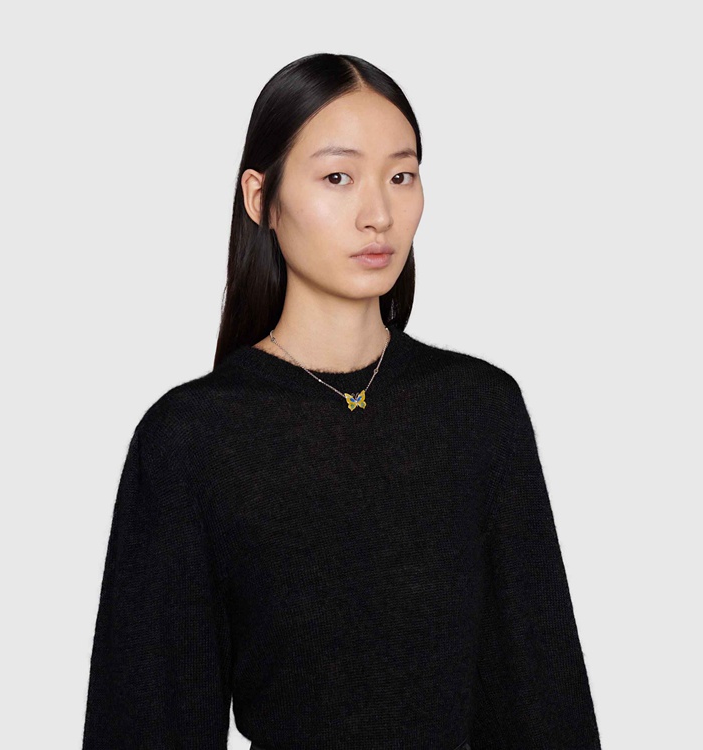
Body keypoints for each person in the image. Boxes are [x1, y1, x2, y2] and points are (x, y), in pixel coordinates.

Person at [81, 53, 603, 749]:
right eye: (337, 177)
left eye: (401, 176)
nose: (378, 214)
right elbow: (146, 722)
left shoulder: (479, 410)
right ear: (259, 198)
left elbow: (545, 705)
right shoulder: (192, 437)